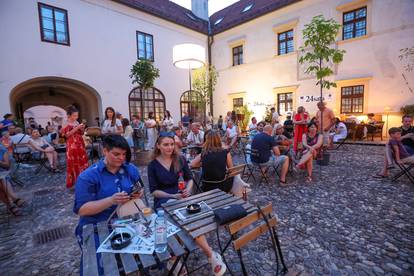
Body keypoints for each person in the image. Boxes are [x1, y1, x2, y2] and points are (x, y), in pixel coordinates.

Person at [148, 132, 226, 276]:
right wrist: (172, 195)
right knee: (184, 220)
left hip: (182, 198)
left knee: (188, 219)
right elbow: (153, 191)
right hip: (164, 201)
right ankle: (210, 255)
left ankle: (175, 259)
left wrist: (188, 191)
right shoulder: (152, 165)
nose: (170, 147)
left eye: (172, 144)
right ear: (158, 146)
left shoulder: (180, 159)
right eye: (165, 144)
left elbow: (190, 179)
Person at [73, 134, 144, 275]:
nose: (121, 158)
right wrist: (111, 200)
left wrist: (137, 193)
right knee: (101, 267)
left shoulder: (130, 169)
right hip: (96, 226)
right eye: (116, 154)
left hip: (125, 220)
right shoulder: (88, 176)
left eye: (124, 154)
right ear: (104, 151)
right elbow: (82, 210)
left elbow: (139, 188)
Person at [190, 130, 248, 196]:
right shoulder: (225, 152)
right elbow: (231, 169)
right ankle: (239, 190)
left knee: (199, 173)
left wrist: (203, 164)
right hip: (222, 186)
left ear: (207, 140)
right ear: (218, 139)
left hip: (206, 186)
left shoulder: (204, 153)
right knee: (234, 176)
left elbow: (192, 164)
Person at [60, 106, 89, 189]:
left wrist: (82, 128)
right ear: (69, 115)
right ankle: (75, 182)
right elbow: (66, 135)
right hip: (72, 144)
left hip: (79, 143)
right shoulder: (65, 123)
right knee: (73, 162)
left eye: (77, 115)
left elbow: (81, 133)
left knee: (82, 161)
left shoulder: (76, 122)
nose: (76, 117)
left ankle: (83, 180)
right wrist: (77, 128)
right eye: (74, 115)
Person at [0, 144, 25, 216]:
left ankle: (10, 205)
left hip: (3, 173)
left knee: (2, 179)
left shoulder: (1, 148)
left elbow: (7, 165)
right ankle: (15, 199)